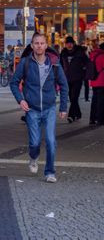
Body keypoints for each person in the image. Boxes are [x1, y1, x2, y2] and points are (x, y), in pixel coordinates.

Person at [10, 32, 68, 183]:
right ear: (32, 46)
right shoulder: (25, 63)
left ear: (46, 45)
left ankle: (50, 172)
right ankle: (33, 157)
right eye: (36, 43)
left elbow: (64, 85)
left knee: (50, 141)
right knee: (34, 143)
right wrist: (20, 100)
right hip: (32, 109)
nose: (39, 46)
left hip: (49, 109)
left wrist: (62, 107)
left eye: (42, 43)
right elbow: (14, 83)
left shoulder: (54, 64)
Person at [59, 36, 88, 123]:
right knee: (72, 98)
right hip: (67, 79)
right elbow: (60, 65)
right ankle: (78, 113)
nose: (69, 45)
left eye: (71, 43)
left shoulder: (80, 52)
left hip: (77, 78)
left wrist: (84, 71)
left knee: (74, 97)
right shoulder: (63, 53)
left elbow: (87, 62)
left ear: (73, 44)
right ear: (65, 44)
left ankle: (71, 116)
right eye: (67, 43)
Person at [89, 42, 104, 126]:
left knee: (94, 101)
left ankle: (92, 119)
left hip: (94, 81)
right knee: (102, 101)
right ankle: (100, 119)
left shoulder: (93, 54)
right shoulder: (102, 55)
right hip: (102, 81)